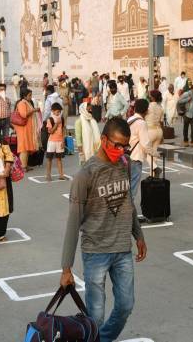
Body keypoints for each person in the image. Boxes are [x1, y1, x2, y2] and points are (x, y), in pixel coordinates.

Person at [60, 117, 147, 342]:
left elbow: (128, 202)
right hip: (96, 252)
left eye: (124, 146)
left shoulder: (125, 165)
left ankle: (101, 339)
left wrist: (139, 235)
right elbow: (73, 222)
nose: (120, 150)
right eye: (115, 144)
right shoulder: (85, 175)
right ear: (103, 139)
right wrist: (66, 268)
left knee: (126, 305)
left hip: (122, 250)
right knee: (95, 316)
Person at [127, 99, 158, 202]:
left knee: (127, 187)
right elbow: (145, 144)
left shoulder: (130, 120)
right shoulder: (141, 123)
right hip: (135, 158)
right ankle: (127, 214)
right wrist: (155, 153)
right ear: (146, 111)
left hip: (126, 157)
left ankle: (128, 213)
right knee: (132, 188)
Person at [13, 89, 41, 172]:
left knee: (27, 147)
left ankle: (25, 165)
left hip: (27, 129)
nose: (31, 97)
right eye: (29, 95)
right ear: (24, 96)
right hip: (23, 129)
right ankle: (23, 167)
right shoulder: (21, 103)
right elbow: (24, 114)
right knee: (24, 148)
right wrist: (34, 110)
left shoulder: (26, 103)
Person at [45, 102, 67, 181]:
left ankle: (61, 175)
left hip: (59, 141)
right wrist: (56, 124)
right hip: (52, 142)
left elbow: (63, 129)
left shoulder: (62, 119)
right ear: (53, 111)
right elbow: (50, 131)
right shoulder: (50, 119)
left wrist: (63, 140)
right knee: (49, 159)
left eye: (60, 112)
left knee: (59, 158)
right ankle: (48, 175)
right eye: (57, 111)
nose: (59, 113)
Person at [177, 83, 193, 147]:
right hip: (186, 113)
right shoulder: (187, 93)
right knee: (186, 128)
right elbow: (179, 101)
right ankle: (185, 140)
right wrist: (188, 99)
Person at [145, 90, 164, 176]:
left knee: (146, 152)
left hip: (150, 130)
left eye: (149, 95)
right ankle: (152, 175)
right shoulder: (160, 107)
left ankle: (155, 168)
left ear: (152, 97)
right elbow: (162, 122)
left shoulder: (148, 106)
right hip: (159, 131)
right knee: (154, 154)